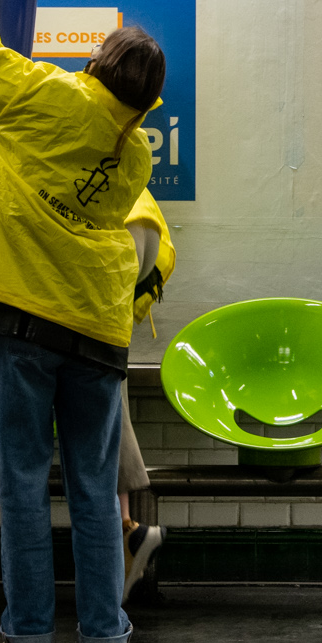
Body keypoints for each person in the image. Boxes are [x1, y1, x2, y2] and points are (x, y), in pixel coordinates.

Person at [0, 0, 165, 643]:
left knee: (24, 482)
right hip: (96, 327)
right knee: (95, 487)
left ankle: (31, 631)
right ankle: (104, 632)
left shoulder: (45, 94)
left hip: (24, 320)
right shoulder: (136, 155)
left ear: (97, 63)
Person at [119, 189, 175, 600]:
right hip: (108, 328)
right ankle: (127, 529)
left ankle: (124, 535)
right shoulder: (136, 197)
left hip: (62, 323)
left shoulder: (65, 179)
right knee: (106, 414)